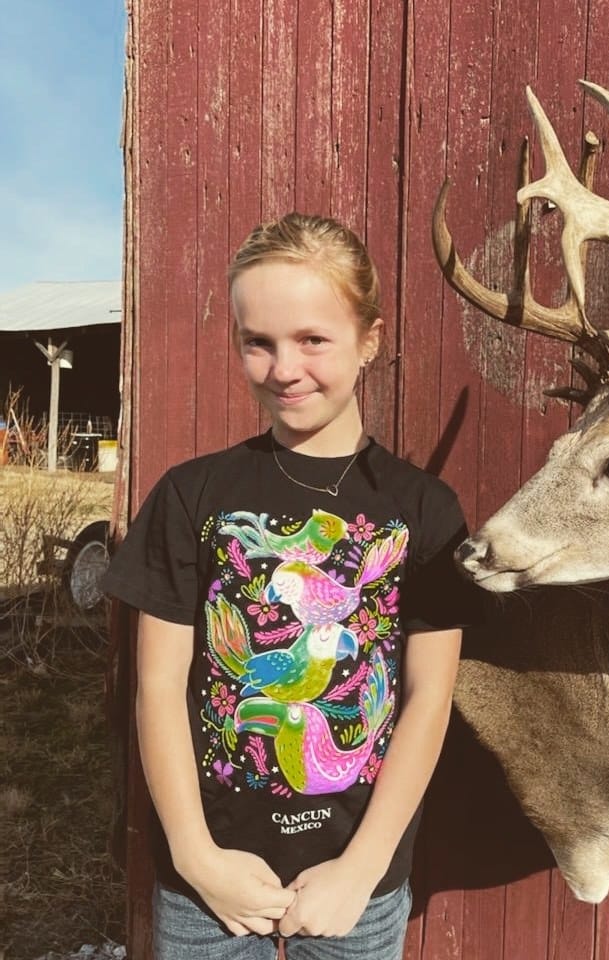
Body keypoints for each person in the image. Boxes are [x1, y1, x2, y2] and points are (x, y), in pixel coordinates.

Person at [102, 214, 477, 960]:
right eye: (258, 342)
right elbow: (158, 685)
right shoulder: (191, 496)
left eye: (313, 339)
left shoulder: (425, 510)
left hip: (356, 883)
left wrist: (362, 869)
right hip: (209, 883)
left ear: (368, 340)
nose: (283, 368)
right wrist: (196, 857)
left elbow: (429, 698)